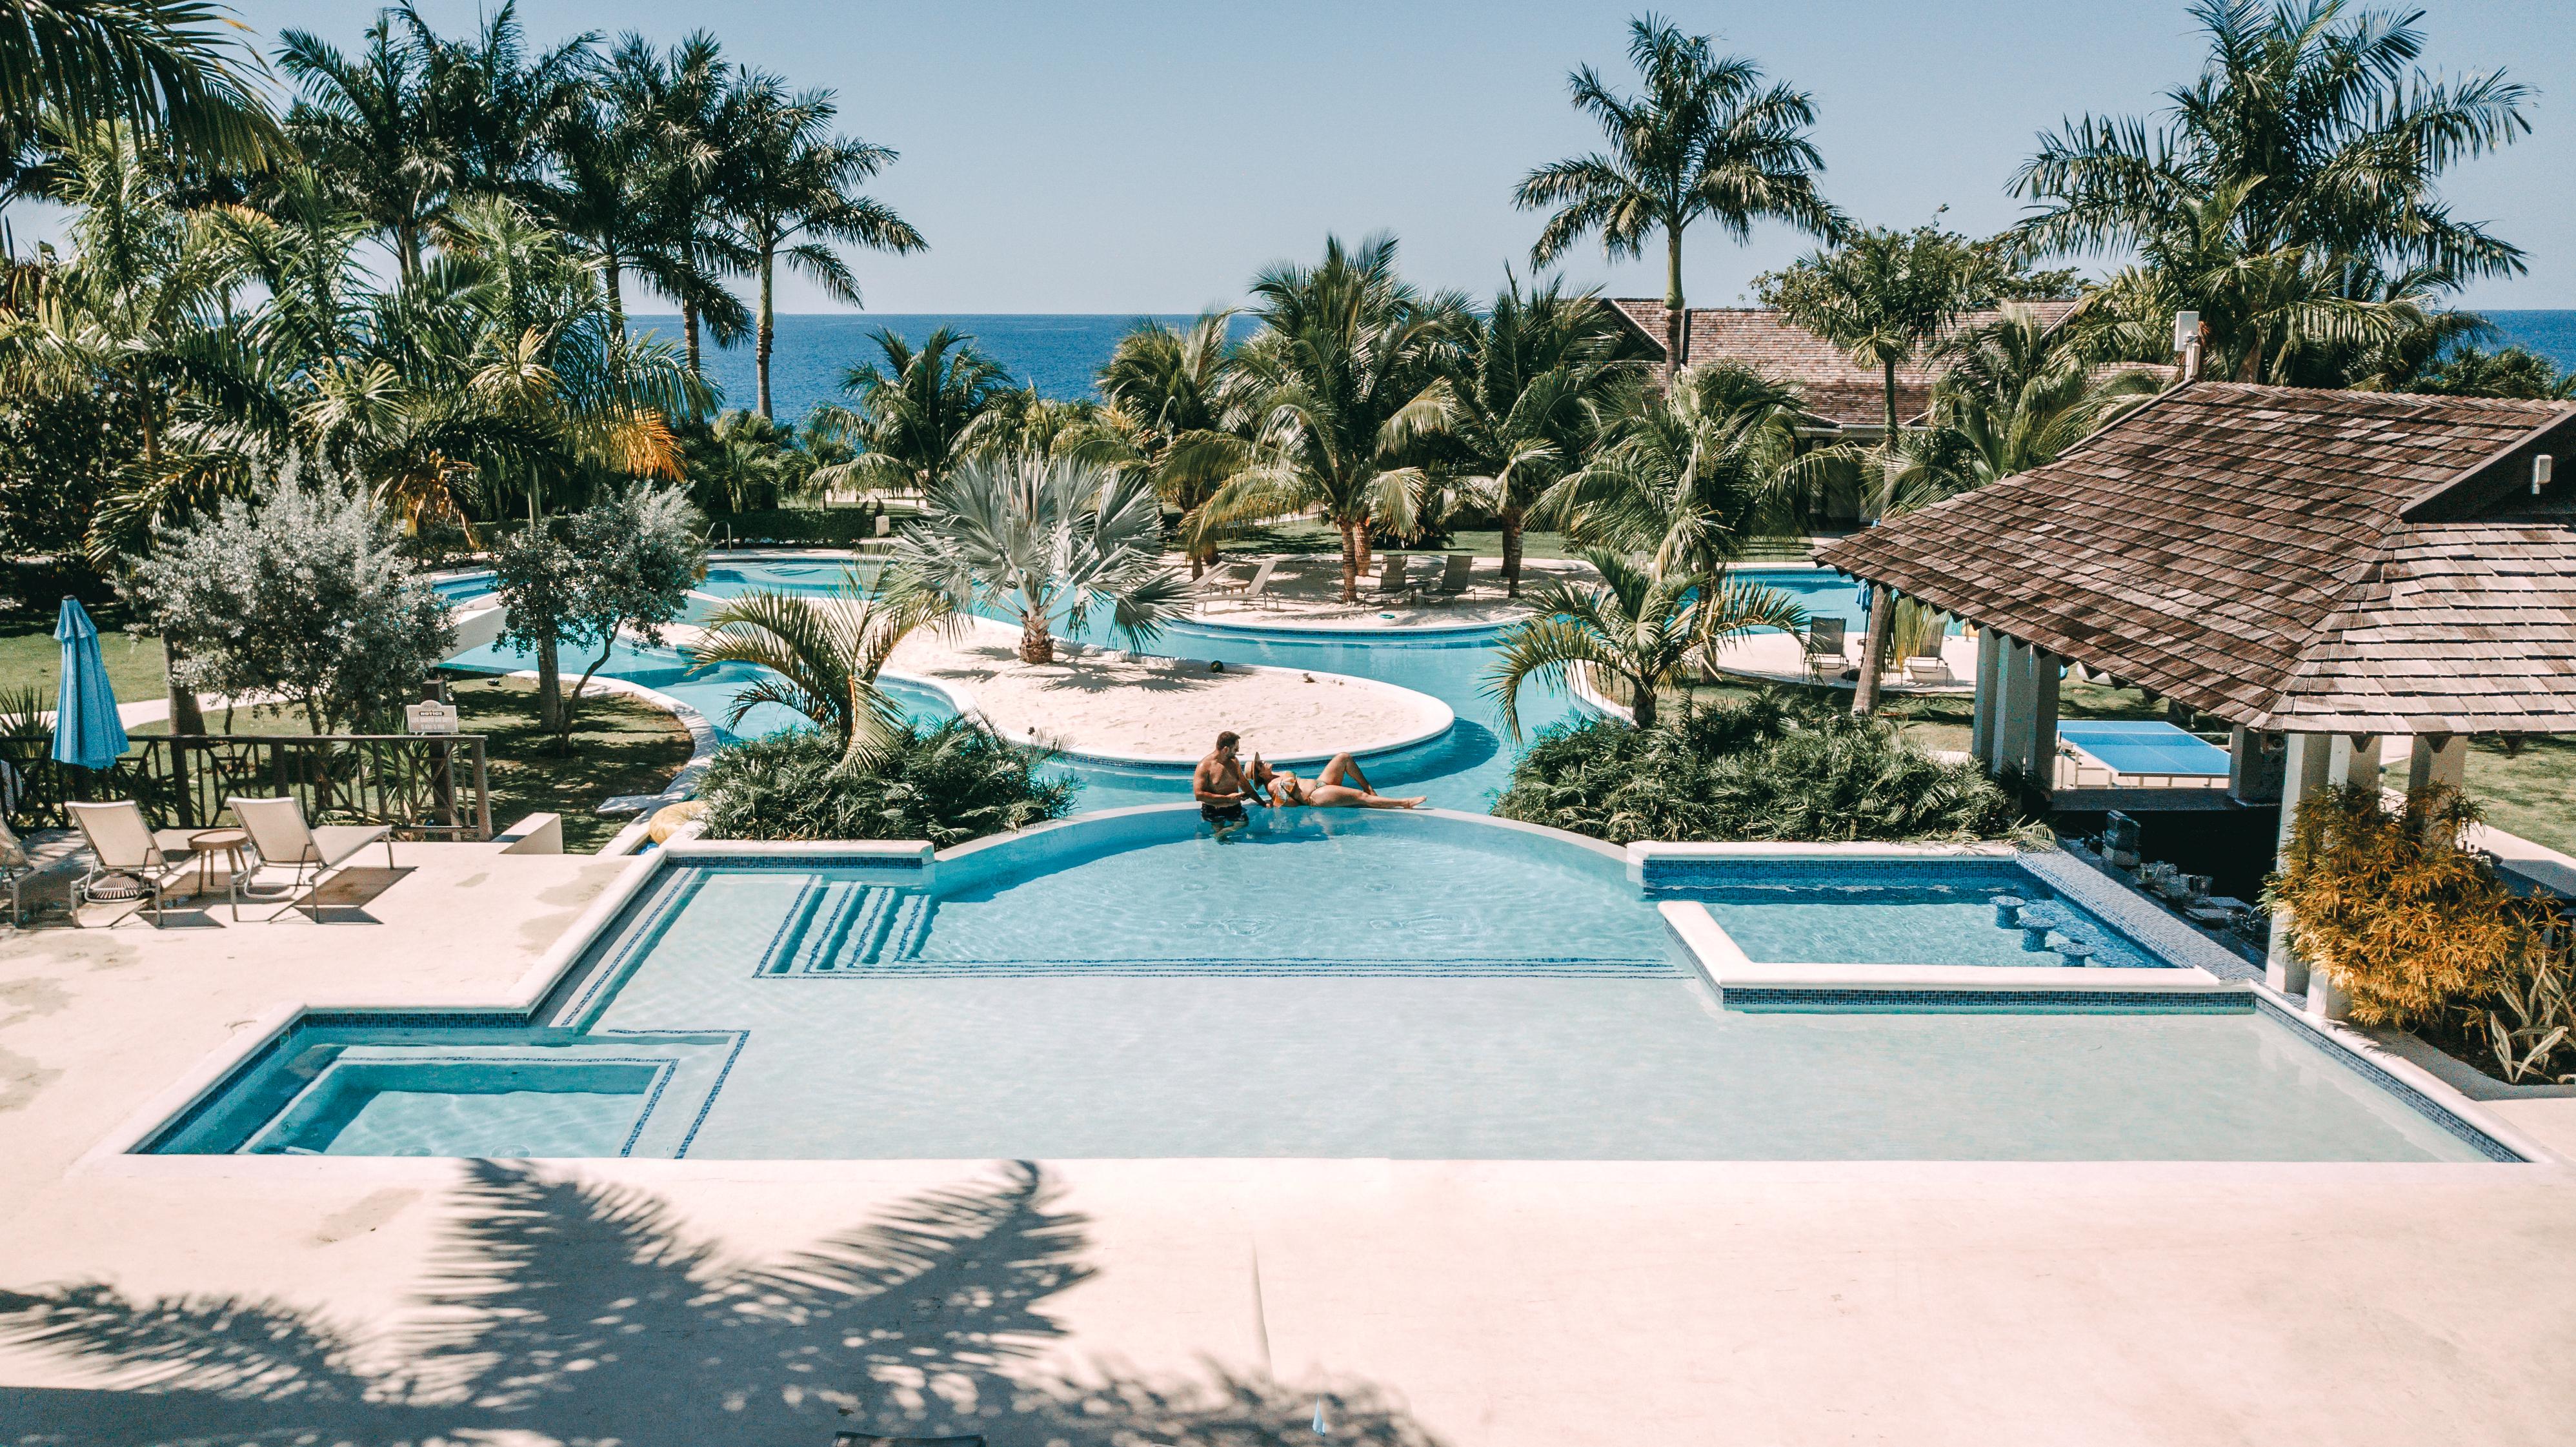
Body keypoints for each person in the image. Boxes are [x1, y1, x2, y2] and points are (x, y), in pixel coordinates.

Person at [1256, 753, 1425, 809]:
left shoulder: (1276, 775)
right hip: (1317, 795)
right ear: (1261, 774)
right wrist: (1276, 800)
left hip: (1322, 783)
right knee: (1359, 797)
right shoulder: (1272, 785)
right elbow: (1291, 804)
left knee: (1343, 758)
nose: (1263, 762)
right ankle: (1405, 803)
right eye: (1260, 764)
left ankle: (1369, 789)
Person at [1192, 731, 1266, 831]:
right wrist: (1228, 799)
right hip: (1213, 810)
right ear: (1226, 749)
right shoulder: (1205, 766)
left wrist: (1262, 803)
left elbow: (1244, 784)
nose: (1238, 751)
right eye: (1235, 749)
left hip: (1234, 808)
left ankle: (1221, 834)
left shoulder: (1234, 762)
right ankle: (1219, 834)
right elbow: (1199, 795)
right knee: (1217, 827)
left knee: (1244, 823)